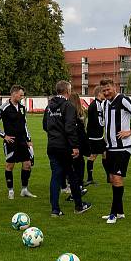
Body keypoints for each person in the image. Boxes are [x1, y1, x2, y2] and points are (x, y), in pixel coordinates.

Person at [43, 81, 92, 217]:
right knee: (72, 175)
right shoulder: (68, 105)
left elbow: (45, 126)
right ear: (67, 91)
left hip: (51, 145)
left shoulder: (49, 107)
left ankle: (55, 209)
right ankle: (78, 206)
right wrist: (75, 146)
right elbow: (70, 128)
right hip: (64, 147)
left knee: (56, 176)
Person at [100, 78, 131, 224]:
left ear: (115, 87)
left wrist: (130, 131)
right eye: (104, 90)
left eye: (108, 89)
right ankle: (120, 212)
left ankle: (113, 213)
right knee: (113, 179)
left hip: (123, 148)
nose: (106, 92)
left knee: (117, 179)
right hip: (111, 148)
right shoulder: (105, 104)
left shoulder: (123, 99)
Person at [0, 85, 36, 200]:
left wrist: (28, 140)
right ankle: (10, 190)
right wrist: (4, 135)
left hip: (22, 141)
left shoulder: (21, 107)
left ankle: (24, 189)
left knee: (27, 164)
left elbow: (24, 124)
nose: (22, 97)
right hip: (11, 142)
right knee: (10, 165)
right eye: (21, 95)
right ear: (14, 94)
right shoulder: (4, 107)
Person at [69, 92, 90, 201]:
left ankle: (70, 187)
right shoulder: (81, 112)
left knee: (72, 165)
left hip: (71, 142)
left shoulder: (69, 111)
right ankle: (77, 188)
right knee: (79, 164)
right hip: (80, 142)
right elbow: (83, 128)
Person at [85, 85, 107, 186]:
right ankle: (90, 179)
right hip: (95, 136)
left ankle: (109, 176)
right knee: (93, 156)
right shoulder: (96, 105)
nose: (105, 94)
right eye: (103, 92)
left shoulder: (97, 104)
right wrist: (107, 123)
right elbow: (99, 122)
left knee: (105, 153)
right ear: (99, 94)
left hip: (97, 135)